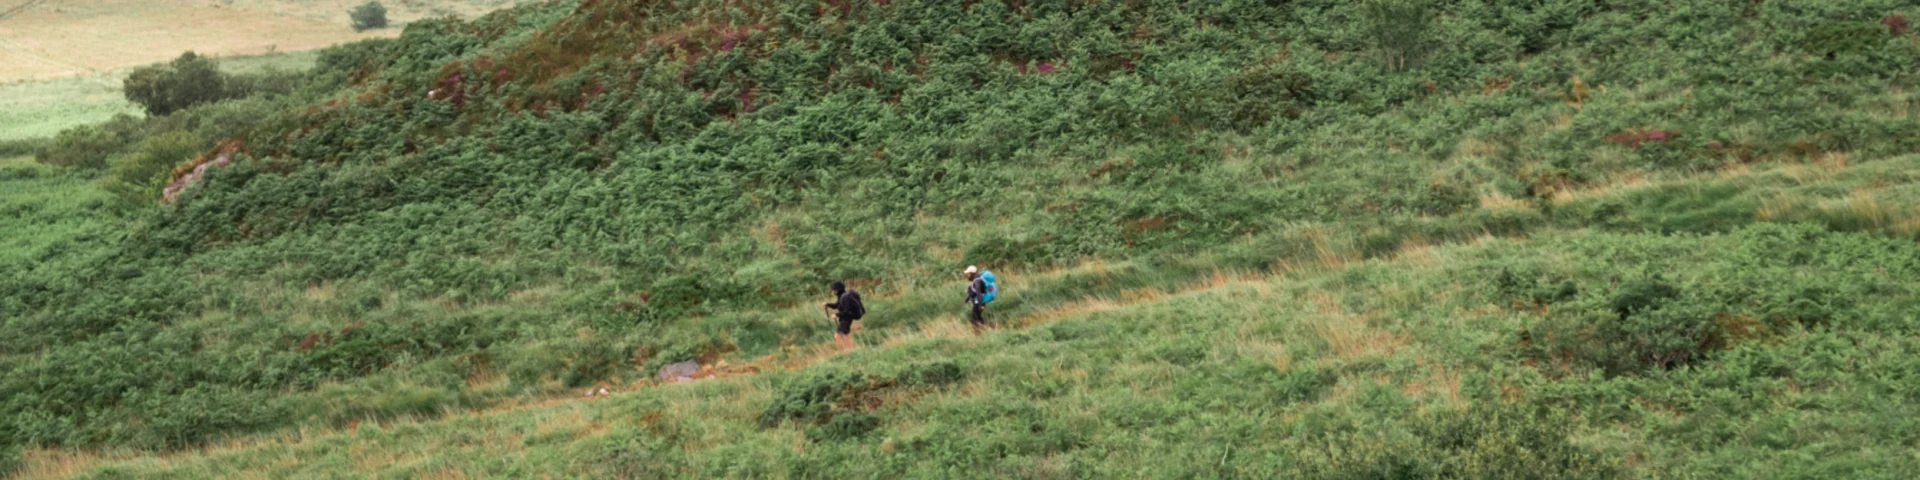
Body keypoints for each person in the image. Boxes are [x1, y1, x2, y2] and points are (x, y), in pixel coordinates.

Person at [823, 281, 864, 350]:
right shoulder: (842, 296)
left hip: (846, 319)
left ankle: (845, 351)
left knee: (837, 336)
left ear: (838, 289)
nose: (833, 291)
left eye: (834, 289)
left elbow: (847, 311)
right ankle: (852, 350)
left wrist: (837, 314)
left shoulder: (845, 297)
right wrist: (828, 304)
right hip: (845, 318)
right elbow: (837, 305)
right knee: (846, 335)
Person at [964, 266, 992, 334]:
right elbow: (973, 292)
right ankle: (992, 327)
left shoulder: (977, 281)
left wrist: (980, 305)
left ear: (971, 273)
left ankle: (977, 333)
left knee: (974, 319)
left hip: (978, 302)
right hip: (978, 302)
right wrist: (966, 300)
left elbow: (979, 294)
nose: (967, 275)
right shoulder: (975, 280)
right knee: (979, 318)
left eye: (968, 274)